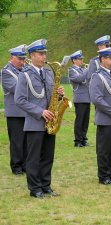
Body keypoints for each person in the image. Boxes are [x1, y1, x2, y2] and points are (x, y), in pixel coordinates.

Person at [15, 39, 64, 198]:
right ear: (33, 55)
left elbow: (50, 97)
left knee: (48, 156)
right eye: (41, 54)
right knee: (34, 157)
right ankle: (35, 188)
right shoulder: (25, 75)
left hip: (50, 122)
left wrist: (59, 96)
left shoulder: (49, 73)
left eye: (45, 54)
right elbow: (20, 100)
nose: (44, 57)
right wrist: (40, 112)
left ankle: (46, 185)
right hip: (35, 122)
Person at [89, 46, 111, 185]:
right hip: (105, 119)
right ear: (102, 59)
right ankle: (103, 176)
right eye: (110, 58)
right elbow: (97, 99)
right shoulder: (97, 76)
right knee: (104, 150)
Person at [1, 44, 27, 175]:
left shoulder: (24, 70)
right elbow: (17, 89)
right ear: (12, 57)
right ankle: (17, 166)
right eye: (20, 59)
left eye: (24, 59)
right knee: (17, 141)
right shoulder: (6, 72)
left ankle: (26, 164)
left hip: (26, 111)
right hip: (15, 113)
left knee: (27, 140)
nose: (22, 62)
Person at [68, 50, 91, 148]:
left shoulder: (82, 69)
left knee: (85, 121)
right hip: (80, 99)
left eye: (82, 59)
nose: (82, 61)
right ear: (74, 60)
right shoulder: (72, 70)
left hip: (87, 98)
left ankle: (84, 139)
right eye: (80, 59)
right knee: (80, 121)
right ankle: (77, 141)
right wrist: (88, 69)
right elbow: (80, 79)